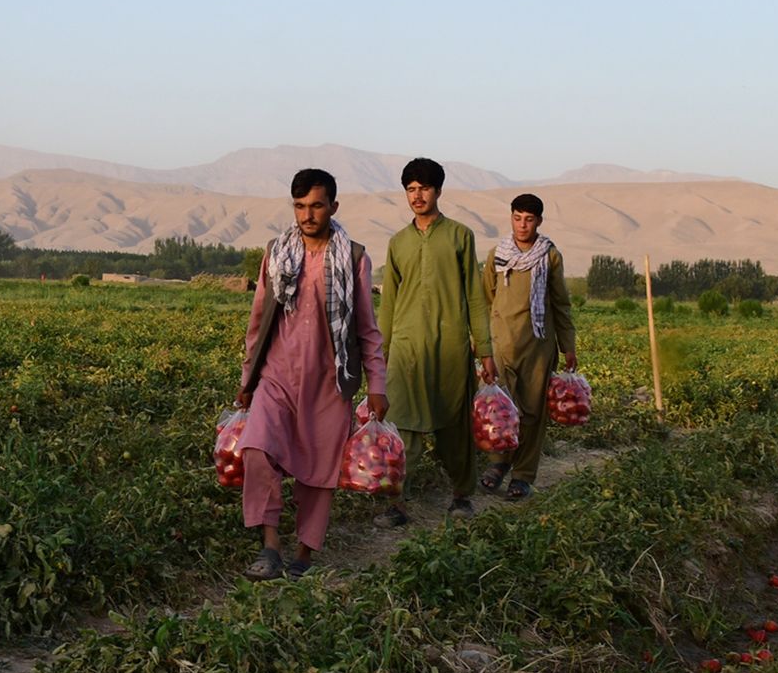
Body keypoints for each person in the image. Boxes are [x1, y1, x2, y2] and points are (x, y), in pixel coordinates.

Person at [235, 168, 388, 580]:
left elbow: (367, 329)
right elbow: (257, 321)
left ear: (333, 207)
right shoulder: (277, 253)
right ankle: (270, 547)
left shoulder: (353, 258)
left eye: (316, 205)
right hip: (277, 376)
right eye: (300, 206)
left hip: (329, 382)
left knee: (319, 472)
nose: (307, 215)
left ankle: (304, 553)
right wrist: (248, 379)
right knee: (257, 450)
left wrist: (377, 385)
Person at [375, 157, 495, 525]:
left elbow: (475, 296)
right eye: (411, 189)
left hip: (450, 346)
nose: (417, 195)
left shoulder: (460, 236)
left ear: (438, 191)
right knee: (402, 426)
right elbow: (389, 303)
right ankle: (396, 503)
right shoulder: (397, 243)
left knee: (453, 427)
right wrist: (379, 357)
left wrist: (485, 348)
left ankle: (461, 496)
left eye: (424, 188)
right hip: (406, 348)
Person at [478, 193, 578, 499]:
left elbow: (560, 303)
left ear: (539, 222)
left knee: (532, 414)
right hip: (501, 344)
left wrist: (568, 345)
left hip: (538, 345)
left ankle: (522, 475)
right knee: (499, 409)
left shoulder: (550, 256)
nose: (523, 225)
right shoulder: (497, 254)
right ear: (511, 218)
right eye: (517, 218)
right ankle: (498, 464)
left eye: (529, 219)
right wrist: (482, 346)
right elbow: (484, 300)